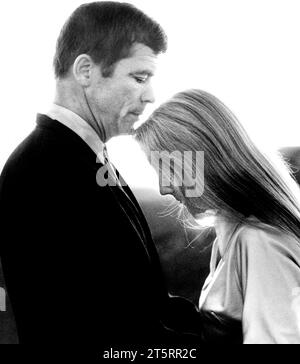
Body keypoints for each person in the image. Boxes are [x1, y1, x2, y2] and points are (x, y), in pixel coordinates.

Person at [0, 2, 200, 344]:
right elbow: (101, 327)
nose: (150, 95)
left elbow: (146, 305)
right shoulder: (43, 170)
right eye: (139, 77)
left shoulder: (80, 155)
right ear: (85, 71)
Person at [135, 89, 300, 344]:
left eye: (168, 170)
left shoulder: (259, 241)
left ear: (205, 163)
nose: (163, 187)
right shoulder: (230, 232)